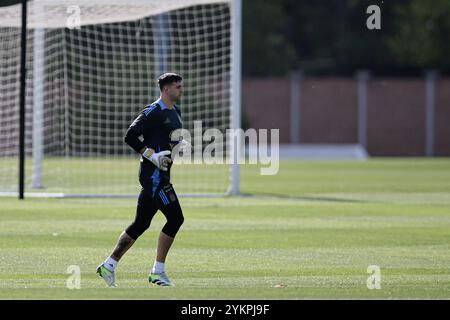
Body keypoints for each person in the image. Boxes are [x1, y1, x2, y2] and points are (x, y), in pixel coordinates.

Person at [97, 73, 185, 287]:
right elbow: (130, 135)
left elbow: (170, 141)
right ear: (165, 89)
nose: (181, 90)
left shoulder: (176, 111)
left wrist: (179, 147)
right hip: (153, 176)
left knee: (141, 223)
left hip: (162, 174)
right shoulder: (153, 111)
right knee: (176, 219)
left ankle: (108, 265)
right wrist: (151, 155)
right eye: (177, 87)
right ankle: (158, 271)